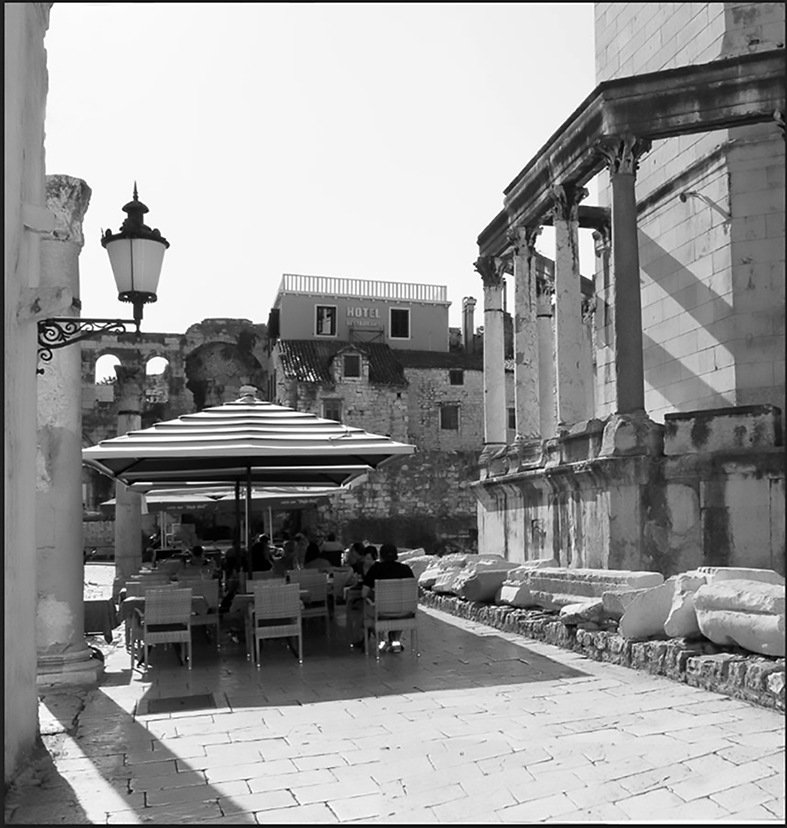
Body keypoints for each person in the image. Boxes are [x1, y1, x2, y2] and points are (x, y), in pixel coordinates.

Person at [352, 543, 414, 653]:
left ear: (381, 556)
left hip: (382, 613)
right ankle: (395, 640)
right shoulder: (406, 569)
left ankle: (381, 640)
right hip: (405, 612)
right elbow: (413, 593)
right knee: (399, 606)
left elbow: (364, 593)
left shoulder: (376, 569)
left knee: (366, 610)